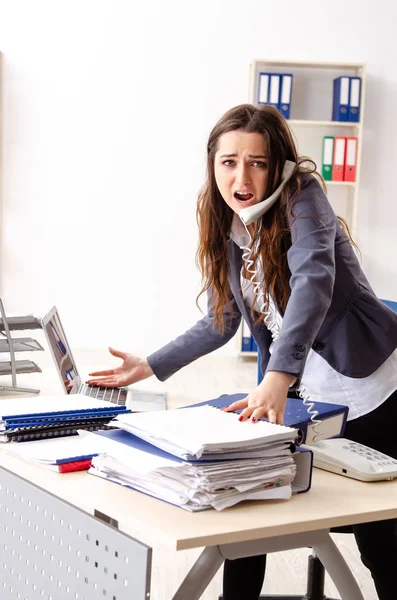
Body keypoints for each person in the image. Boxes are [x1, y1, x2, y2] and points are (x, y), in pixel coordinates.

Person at [87, 104, 397, 600]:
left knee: (380, 540)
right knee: (248, 499)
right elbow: (222, 318)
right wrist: (150, 365)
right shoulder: (229, 221)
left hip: (368, 386)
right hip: (306, 388)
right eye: (229, 161)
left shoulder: (303, 195)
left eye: (256, 162)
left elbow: (314, 281)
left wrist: (276, 377)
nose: (242, 176)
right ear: (213, 164)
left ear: (278, 164)